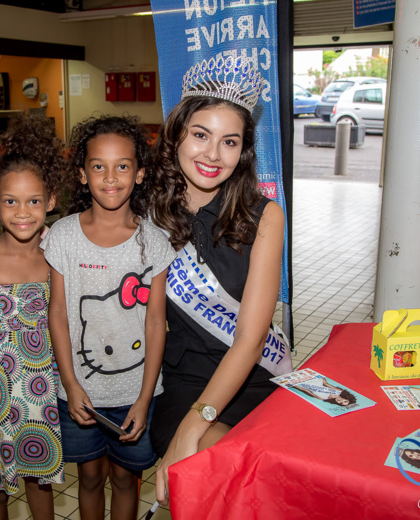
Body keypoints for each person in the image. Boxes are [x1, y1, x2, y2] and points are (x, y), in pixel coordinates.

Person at [148, 56, 288, 504]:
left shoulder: (265, 217)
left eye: (229, 142)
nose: (213, 154)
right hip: (186, 377)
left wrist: (196, 422)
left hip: (258, 377)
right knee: (231, 473)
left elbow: (250, 338)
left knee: (265, 478)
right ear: (176, 137)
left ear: (243, 150)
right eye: (200, 135)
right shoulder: (147, 211)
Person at [43, 115, 175, 520]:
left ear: (140, 173)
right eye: (98, 166)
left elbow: (156, 323)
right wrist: (70, 384)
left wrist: (144, 396)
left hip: (136, 395)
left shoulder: (153, 240)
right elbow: (59, 316)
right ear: (82, 174)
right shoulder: (63, 235)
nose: (111, 177)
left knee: (125, 480)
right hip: (80, 394)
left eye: (123, 166)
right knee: (89, 479)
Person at [0, 113, 65, 520]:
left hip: (40, 390)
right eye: (11, 201)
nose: (22, 212)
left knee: (39, 480)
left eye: (34, 201)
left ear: (51, 201)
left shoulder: (56, 260)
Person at [290, 377, 357, 407]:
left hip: (306, 384)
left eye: (340, 403)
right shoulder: (339, 391)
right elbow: (327, 384)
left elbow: (306, 390)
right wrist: (319, 376)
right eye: (345, 401)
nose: (341, 401)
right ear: (347, 398)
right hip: (317, 381)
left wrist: (294, 385)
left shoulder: (323, 398)